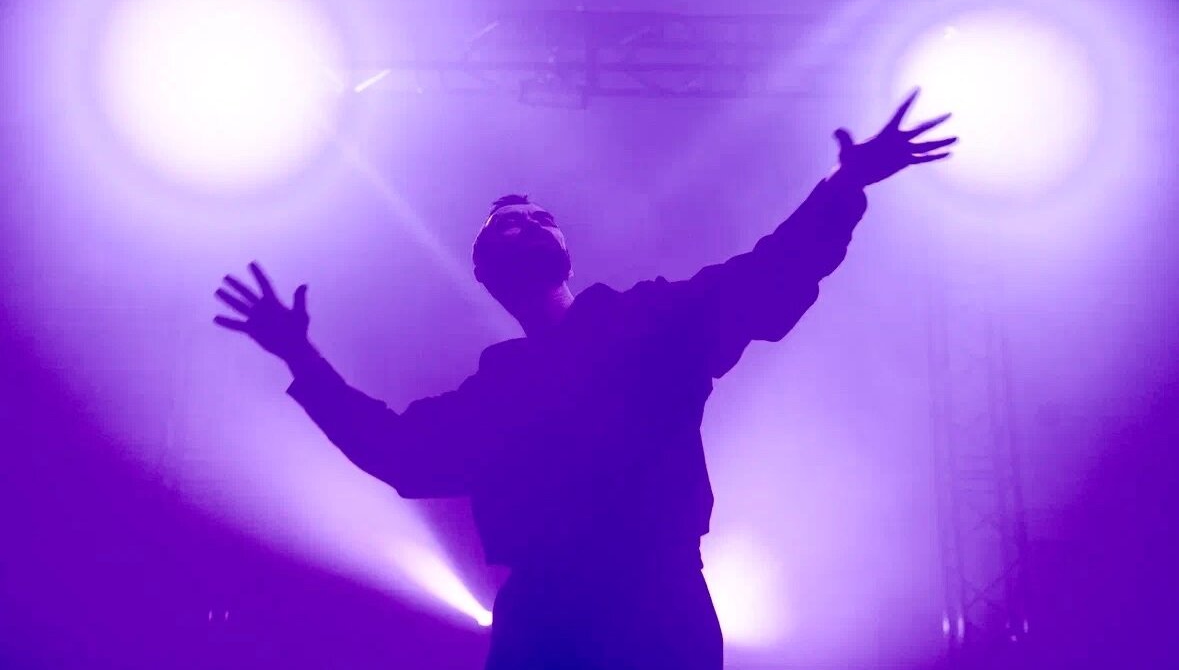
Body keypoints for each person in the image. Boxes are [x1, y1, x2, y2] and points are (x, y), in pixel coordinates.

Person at [213, 90, 955, 669]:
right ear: (484, 272)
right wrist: (300, 358)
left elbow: (765, 277)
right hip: (549, 616)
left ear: (562, 249)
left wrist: (846, 184)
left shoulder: (647, 322)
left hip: (655, 600)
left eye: (533, 216)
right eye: (500, 225)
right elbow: (398, 451)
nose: (516, 220)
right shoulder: (496, 393)